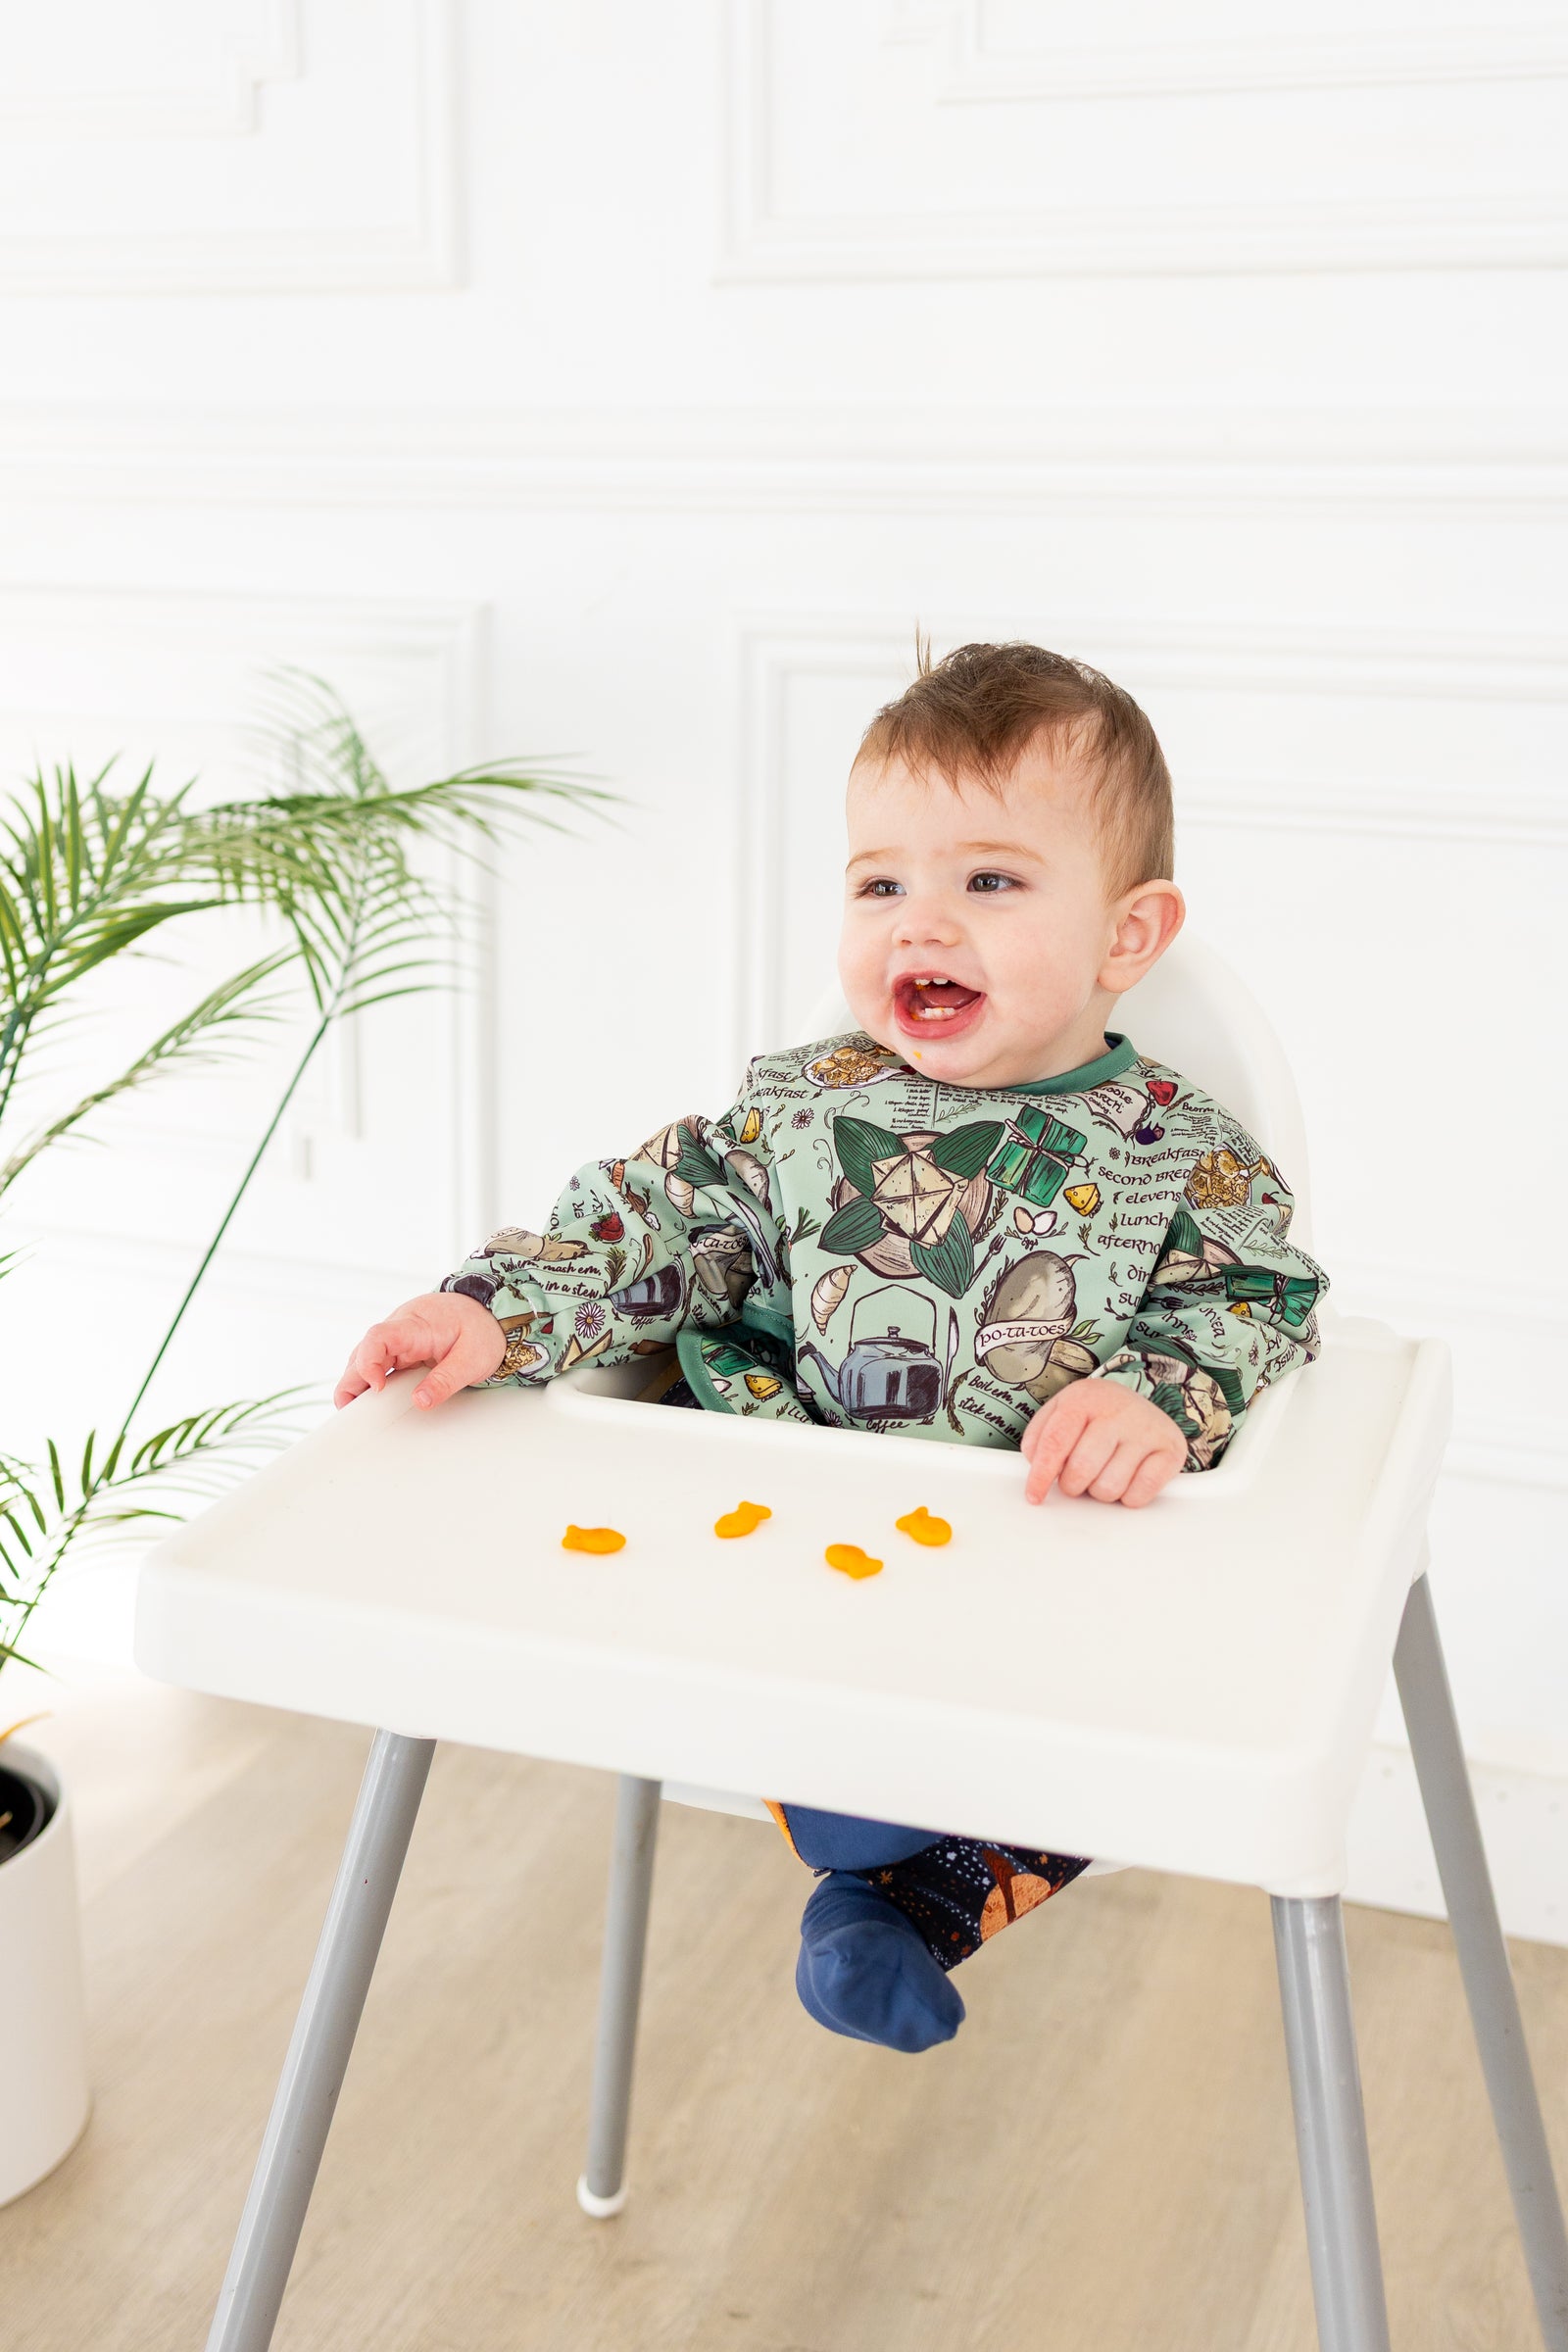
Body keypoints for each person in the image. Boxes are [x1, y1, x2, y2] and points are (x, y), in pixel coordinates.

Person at [335, 640, 1331, 2054]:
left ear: (1127, 934)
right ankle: (885, 1883)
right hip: (809, 1550)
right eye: (882, 883)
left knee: (1124, 1748)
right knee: (851, 1734)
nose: (921, 921)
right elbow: (655, 1226)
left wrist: (1157, 1397)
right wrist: (498, 1308)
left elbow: (1257, 1300)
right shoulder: (800, 1115)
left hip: (1048, 1564)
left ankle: (890, 1910)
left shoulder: (1187, 1156)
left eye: (988, 880)